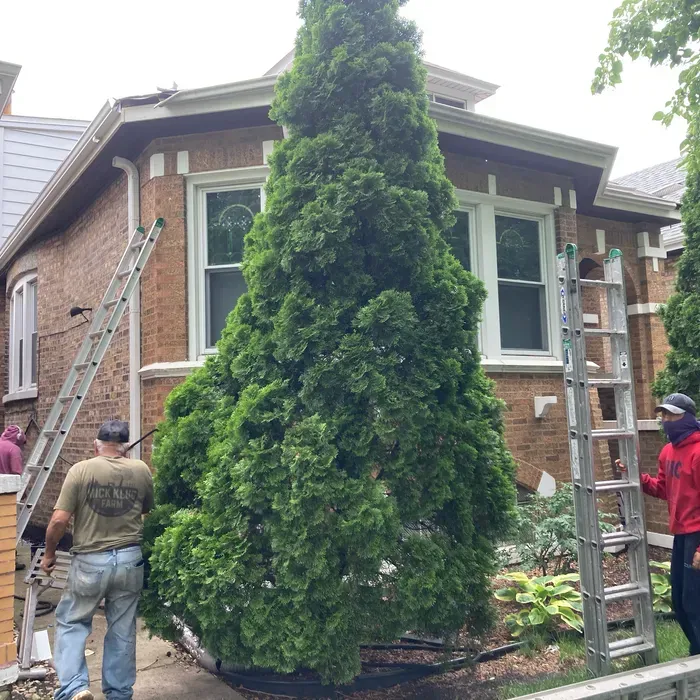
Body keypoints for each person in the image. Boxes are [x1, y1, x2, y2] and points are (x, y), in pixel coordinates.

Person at [41, 420, 153, 700]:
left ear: (96, 446)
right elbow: (145, 511)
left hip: (90, 562)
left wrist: (50, 553)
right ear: (125, 448)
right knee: (123, 628)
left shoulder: (81, 470)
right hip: (130, 559)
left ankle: (74, 688)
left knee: (72, 622)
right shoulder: (141, 470)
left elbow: (58, 520)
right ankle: (119, 693)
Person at [617, 393, 700, 656]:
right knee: (679, 601)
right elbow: (663, 489)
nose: (664, 420)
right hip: (681, 535)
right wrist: (635, 477)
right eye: (662, 415)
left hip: (697, 535)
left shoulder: (698, 452)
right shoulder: (667, 452)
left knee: (693, 602)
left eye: (670, 415)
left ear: (687, 418)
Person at [0, 425, 28, 570]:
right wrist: (23, 492)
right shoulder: (14, 450)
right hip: (7, 497)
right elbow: (16, 474)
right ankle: (10, 561)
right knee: (8, 529)